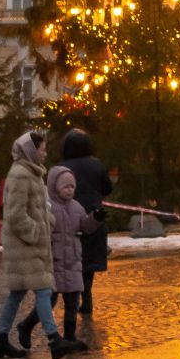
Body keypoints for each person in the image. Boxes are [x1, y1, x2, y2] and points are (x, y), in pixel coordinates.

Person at [0, 131, 82, 359]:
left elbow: (41, 208)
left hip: (29, 245)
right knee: (44, 290)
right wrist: (37, 232)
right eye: (42, 148)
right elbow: (15, 215)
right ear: (32, 150)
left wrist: (48, 222)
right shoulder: (21, 175)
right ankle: (54, 340)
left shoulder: (32, 174)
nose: (45, 153)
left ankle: (1, 339)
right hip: (25, 246)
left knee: (17, 293)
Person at [56, 129, 113, 313]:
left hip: (69, 220)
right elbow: (107, 188)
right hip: (94, 219)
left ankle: (76, 300)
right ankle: (87, 296)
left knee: (73, 260)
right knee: (89, 262)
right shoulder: (97, 165)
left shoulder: (62, 169)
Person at [46, 165, 92, 346]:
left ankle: (70, 336)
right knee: (48, 302)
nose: (69, 190)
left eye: (72, 187)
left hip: (73, 262)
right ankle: (27, 325)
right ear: (55, 186)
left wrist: (95, 219)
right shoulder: (48, 207)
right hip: (54, 263)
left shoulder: (77, 207)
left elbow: (85, 227)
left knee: (73, 302)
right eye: (66, 187)